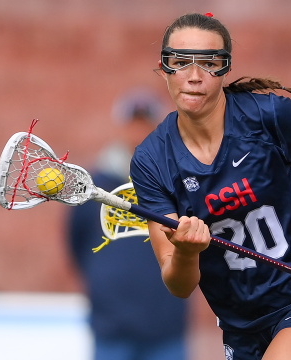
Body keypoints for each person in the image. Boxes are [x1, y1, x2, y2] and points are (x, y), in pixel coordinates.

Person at [130, 12, 291, 360]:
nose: (194, 77)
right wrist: (186, 251)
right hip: (240, 325)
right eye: (180, 62)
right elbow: (178, 285)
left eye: (209, 63)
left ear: (225, 67)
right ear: (163, 66)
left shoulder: (268, 116)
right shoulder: (151, 159)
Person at [67, 88, 188, 360]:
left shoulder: (177, 184)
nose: (138, 132)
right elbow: (77, 244)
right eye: (133, 123)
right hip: (112, 330)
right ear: (121, 127)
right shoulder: (94, 186)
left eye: (145, 124)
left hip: (166, 329)